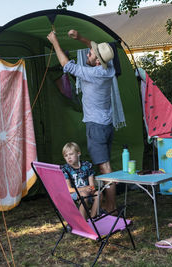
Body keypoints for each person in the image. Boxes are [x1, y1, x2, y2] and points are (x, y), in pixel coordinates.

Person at [47, 29, 116, 212]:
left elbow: (66, 65)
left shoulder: (93, 74)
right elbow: (95, 49)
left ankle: (111, 208)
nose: (88, 53)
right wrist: (81, 38)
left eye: (91, 54)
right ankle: (109, 206)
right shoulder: (109, 69)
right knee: (105, 165)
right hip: (107, 125)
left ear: (96, 61)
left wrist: (54, 41)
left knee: (105, 168)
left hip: (96, 127)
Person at [61, 142, 100, 219]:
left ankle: (92, 218)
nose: (69, 157)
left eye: (71, 154)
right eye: (66, 156)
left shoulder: (87, 165)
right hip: (73, 194)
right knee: (84, 195)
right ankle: (82, 222)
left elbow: (92, 186)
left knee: (99, 193)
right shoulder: (65, 169)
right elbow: (69, 190)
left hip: (87, 191)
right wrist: (84, 189)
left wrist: (91, 189)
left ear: (78, 153)